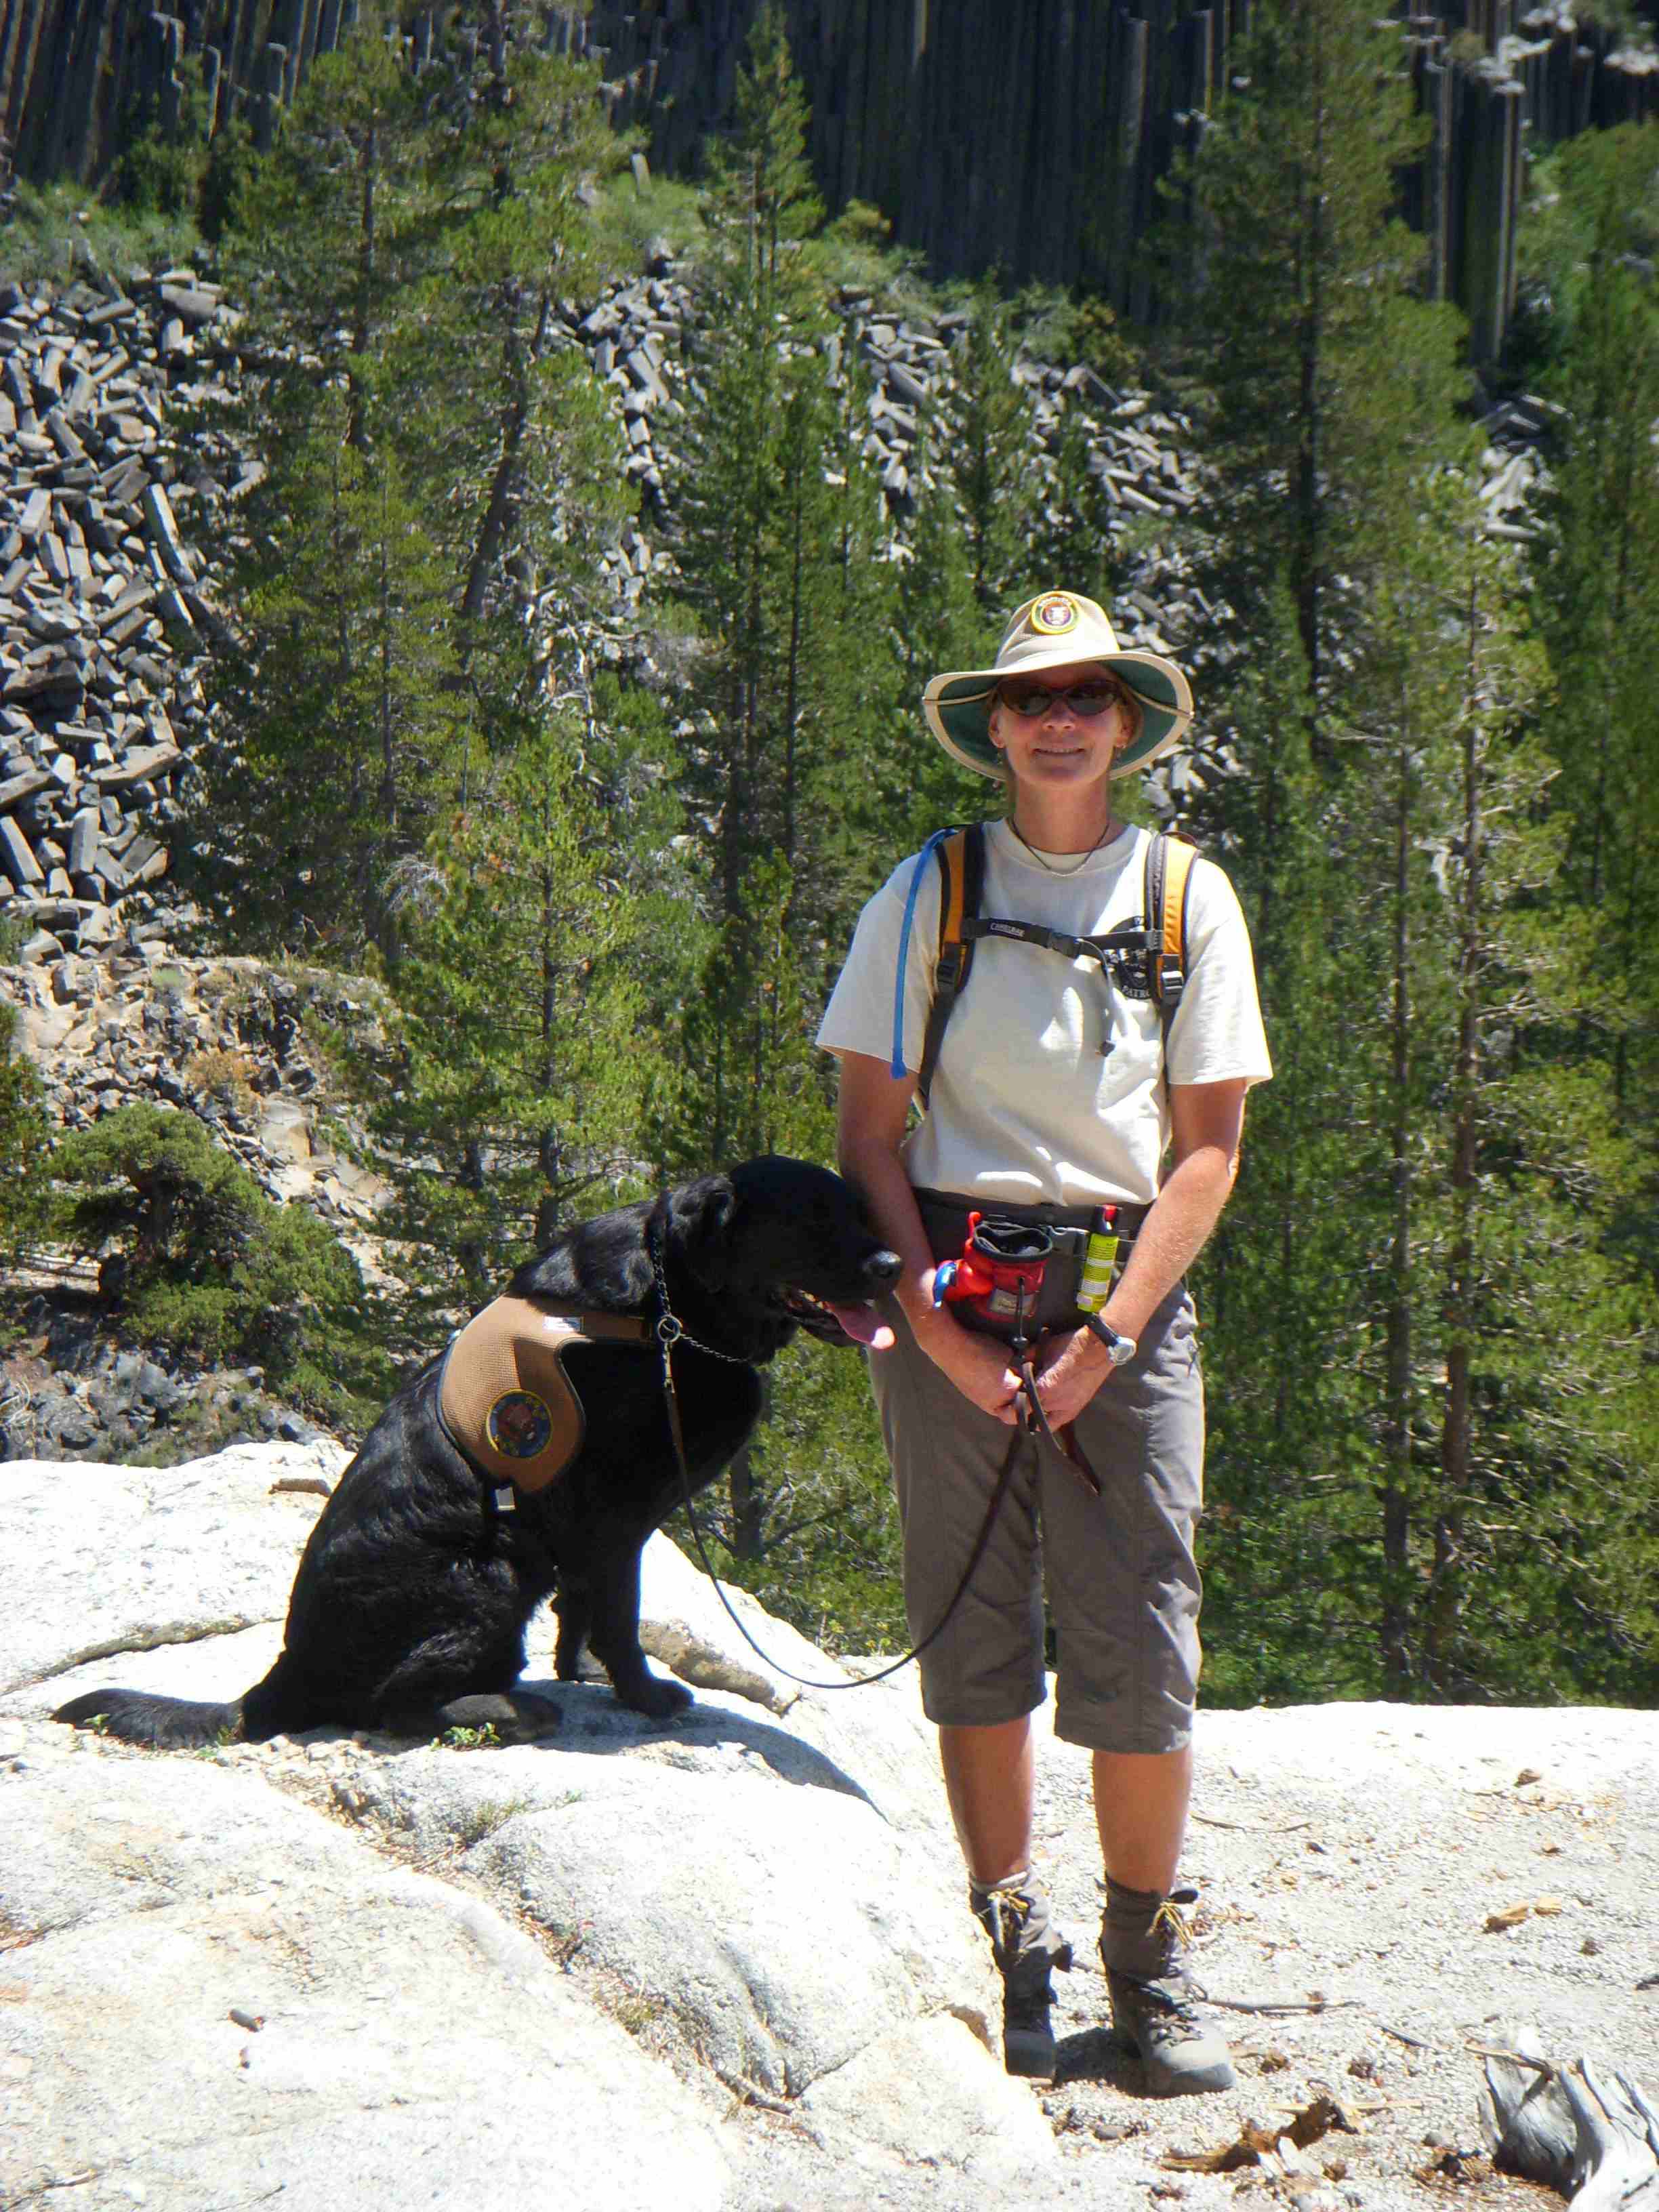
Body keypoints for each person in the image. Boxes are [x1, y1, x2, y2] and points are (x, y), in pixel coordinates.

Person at [817, 588, 1271, 2097]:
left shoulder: (1187, 898)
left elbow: (1206, 1153)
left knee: (1141, 1633)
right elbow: (868, 1134)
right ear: (996, 729)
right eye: (1033, 700)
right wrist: (935, 1332)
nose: (1061, 719)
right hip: (948, 1274)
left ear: (1125, 726)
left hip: (1122, 1295)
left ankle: (1146, 1967)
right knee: (973, 1627)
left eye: (1087, 696)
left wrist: (1112, 1338)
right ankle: (1012, 1939)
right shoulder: (930, 892)